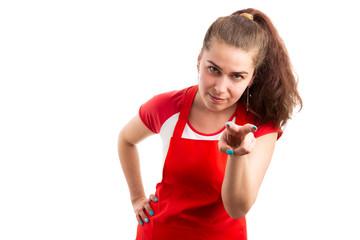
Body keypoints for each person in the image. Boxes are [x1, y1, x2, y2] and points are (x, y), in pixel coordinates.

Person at [118, 8, 302, 239]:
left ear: (251, 78)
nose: (220, 88)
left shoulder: (260, 126)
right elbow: (126, 140)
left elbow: (237, 209)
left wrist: (237, 154)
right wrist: (137, 198)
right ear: (199, 60)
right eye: (213, 69)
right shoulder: (167, 107)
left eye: (237, 76)